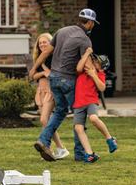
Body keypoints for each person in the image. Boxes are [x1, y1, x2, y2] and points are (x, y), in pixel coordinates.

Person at [31, 8, 99, 162]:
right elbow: (83, 66)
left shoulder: (61, 31)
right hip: (68, 80)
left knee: (60, 111)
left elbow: (46, 52)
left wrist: (34, 68)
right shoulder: (84, 39)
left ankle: (43, 140)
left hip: (54, 79)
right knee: (79, 114)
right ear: (89, 22)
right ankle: (80, 154)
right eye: (93, 23)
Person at [73, 48, 118, 163]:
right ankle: (89, 154)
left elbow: (102, 87)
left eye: (97, 62)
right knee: (78, 128)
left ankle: (109, 138)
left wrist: (94, 75)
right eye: (95, 60)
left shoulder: (100, 74)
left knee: (93, 118)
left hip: (91, 101)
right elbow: (78, 68)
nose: (94, 62)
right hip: (78, 102)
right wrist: (87, 53)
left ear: (102, 67)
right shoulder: (83, 69)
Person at [29, 33, 69, 160]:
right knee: (46, 122)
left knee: (44, 120)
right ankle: (51, 149)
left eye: (44, 42)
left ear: (51, 43)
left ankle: (60, 148)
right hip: (41, 89)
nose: (42, 45)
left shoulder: (53, 58)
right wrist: (42, 73)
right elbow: (33, 75)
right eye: (40, 43)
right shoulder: (39, 58)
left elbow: (53, 74)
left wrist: (45, 72)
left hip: (51, 90)